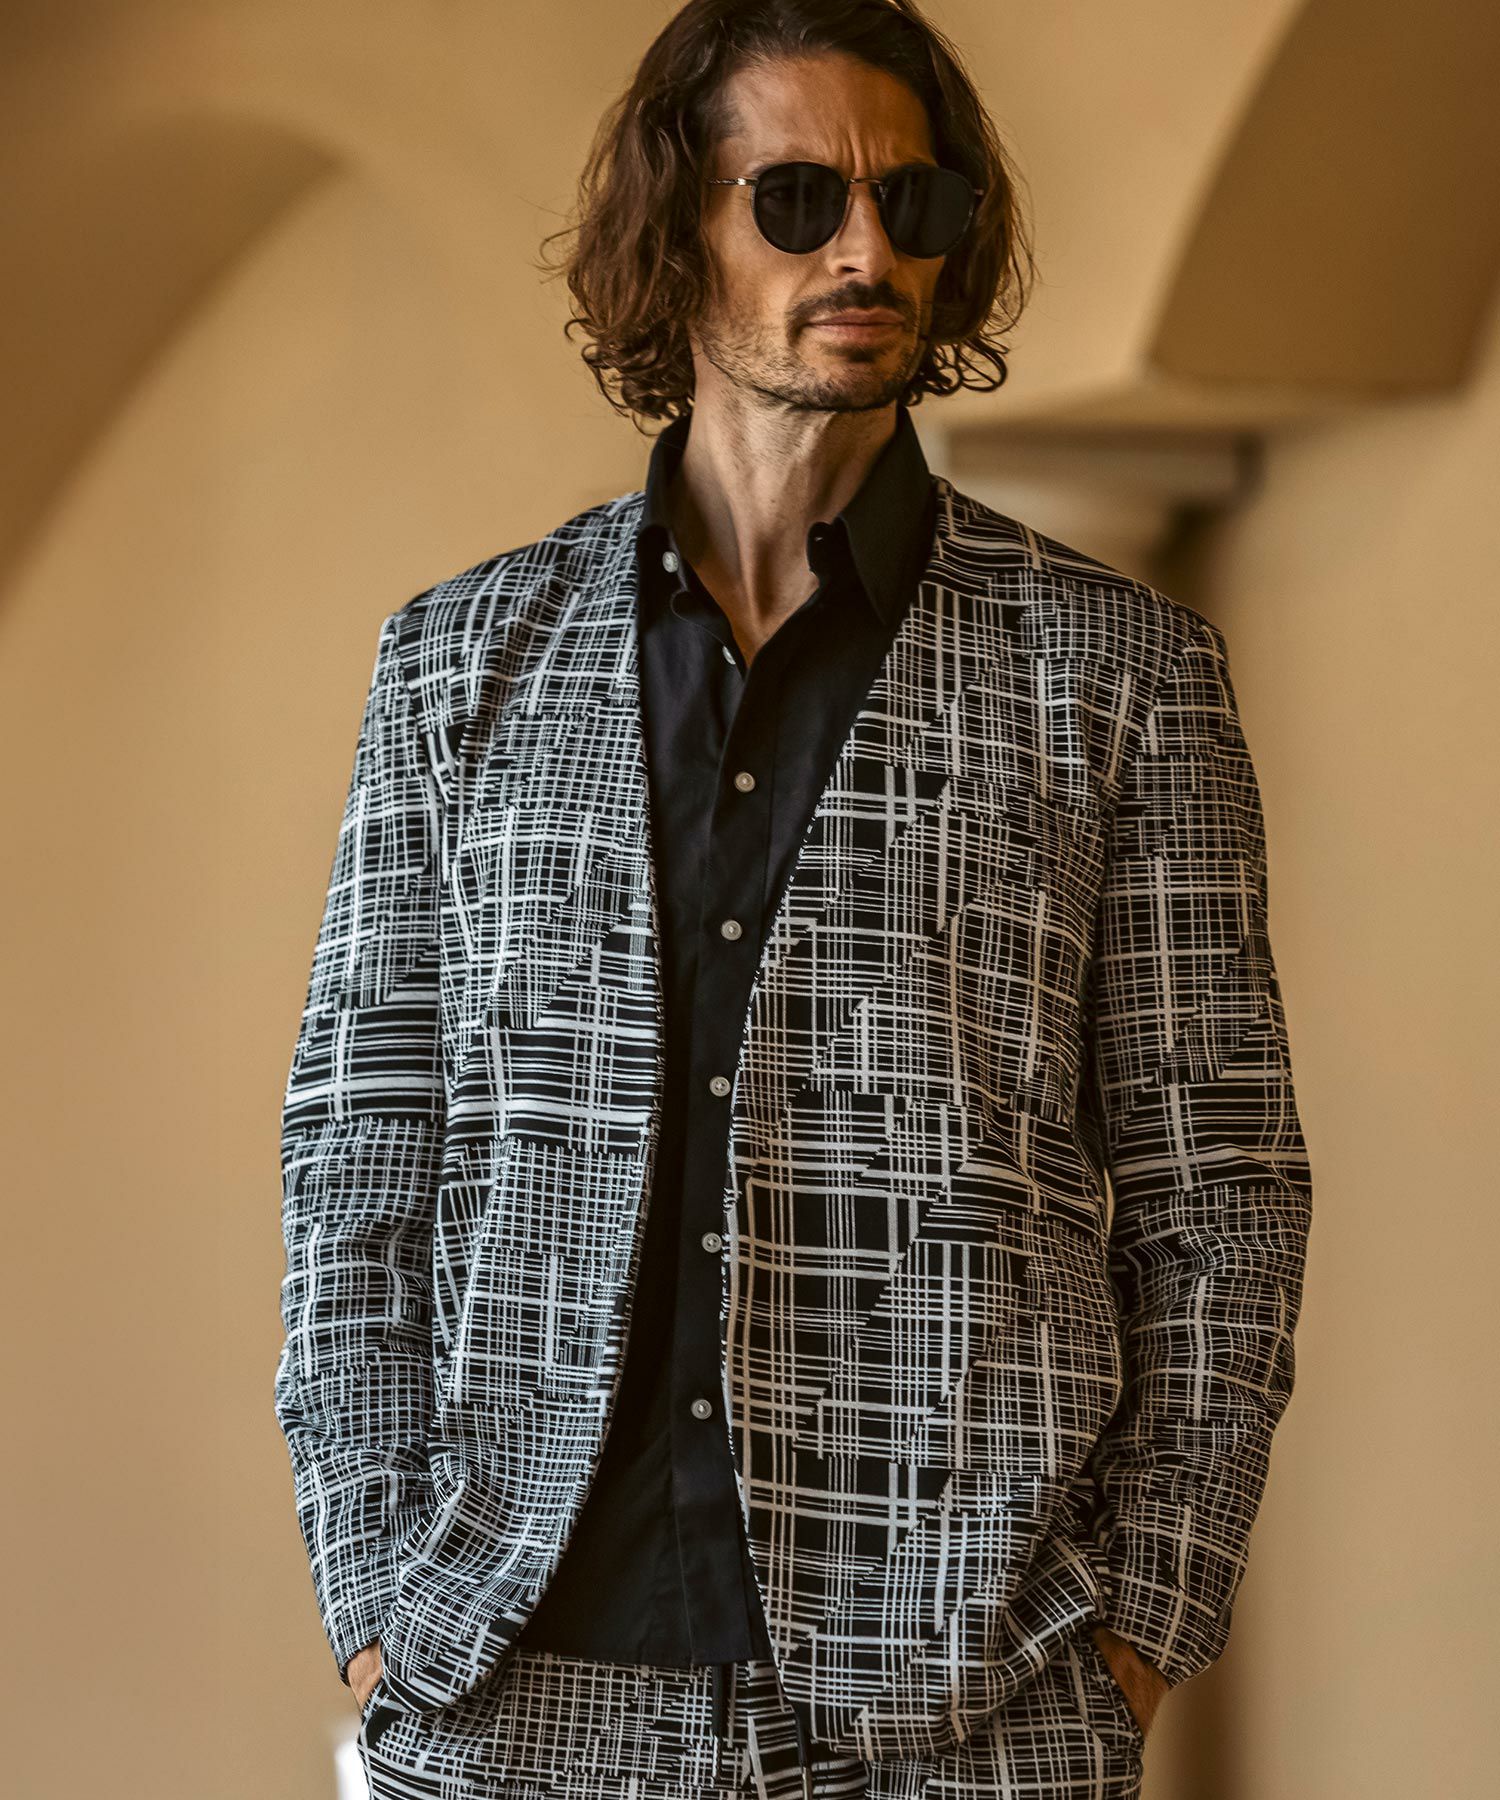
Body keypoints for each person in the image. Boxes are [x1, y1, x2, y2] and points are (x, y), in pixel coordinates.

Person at [273, 3, 1314, 1796]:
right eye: (800, 198)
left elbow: (1220, 1194)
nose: (867, 251)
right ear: (676, 228)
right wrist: (375, 1590)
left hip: (963, 1708)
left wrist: (1139, 1626)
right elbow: (359, 1155)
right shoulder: (459, 663)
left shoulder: (1118, 675)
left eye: (915, 203)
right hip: (512, 1689)